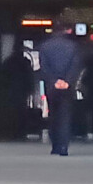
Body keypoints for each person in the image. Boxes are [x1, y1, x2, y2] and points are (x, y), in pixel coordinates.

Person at [34, 27, 82, 156]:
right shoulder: (73, 46)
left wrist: (54, 81)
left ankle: (55, 145)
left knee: (53, 116)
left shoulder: (45, 46)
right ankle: (64, 147)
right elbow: (75, 65)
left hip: (52, 87)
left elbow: (44, 66)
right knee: (65, 116)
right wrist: (67, 81)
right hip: (67, 87)